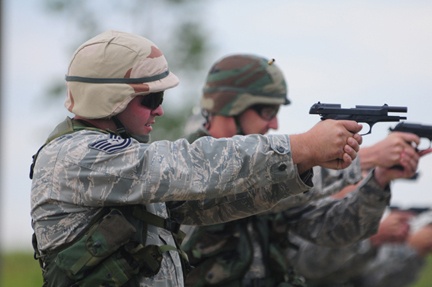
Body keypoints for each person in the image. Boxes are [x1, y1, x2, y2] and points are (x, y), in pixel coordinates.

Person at [29, 31, 364, 287]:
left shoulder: (120, 166)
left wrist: (299, 166)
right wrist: (299, 147)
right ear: (110, 99)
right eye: (151, 98)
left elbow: (209, 205)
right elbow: (187, 165)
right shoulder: (77, 156)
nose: (159, 109)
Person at [179, 54, 420, 286]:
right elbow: (246, 189)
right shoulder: (188, 168)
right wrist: (367, 158)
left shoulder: (265, 171)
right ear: (232, 106)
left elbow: (334, 229)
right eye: (267, 112)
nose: (274, 124)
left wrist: (378, 181)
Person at [286, 134, 432, 287]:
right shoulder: (302, 212)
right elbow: (307, 267)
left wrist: (413, 251)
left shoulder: (358, 223)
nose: (365, 181)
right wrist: (372, 239)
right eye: (364, 173)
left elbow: (370, 279)